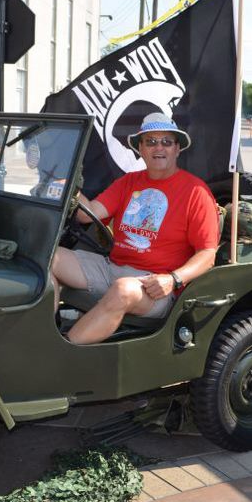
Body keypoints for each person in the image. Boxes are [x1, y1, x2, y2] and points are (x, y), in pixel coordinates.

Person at [51, 113, 219, 345]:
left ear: (177, 149)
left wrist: (173, 279)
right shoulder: (128, 182)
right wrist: (70, 185)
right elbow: (87, 213)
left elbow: (208, 254)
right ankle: (47, 333)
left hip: (155, 286)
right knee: (50, 257)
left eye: (166, 142)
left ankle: (61, 351)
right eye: (150, 141)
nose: (158, 147)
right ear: (140, 148)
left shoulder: (196, 192)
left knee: (123, 289)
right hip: (113, 268)